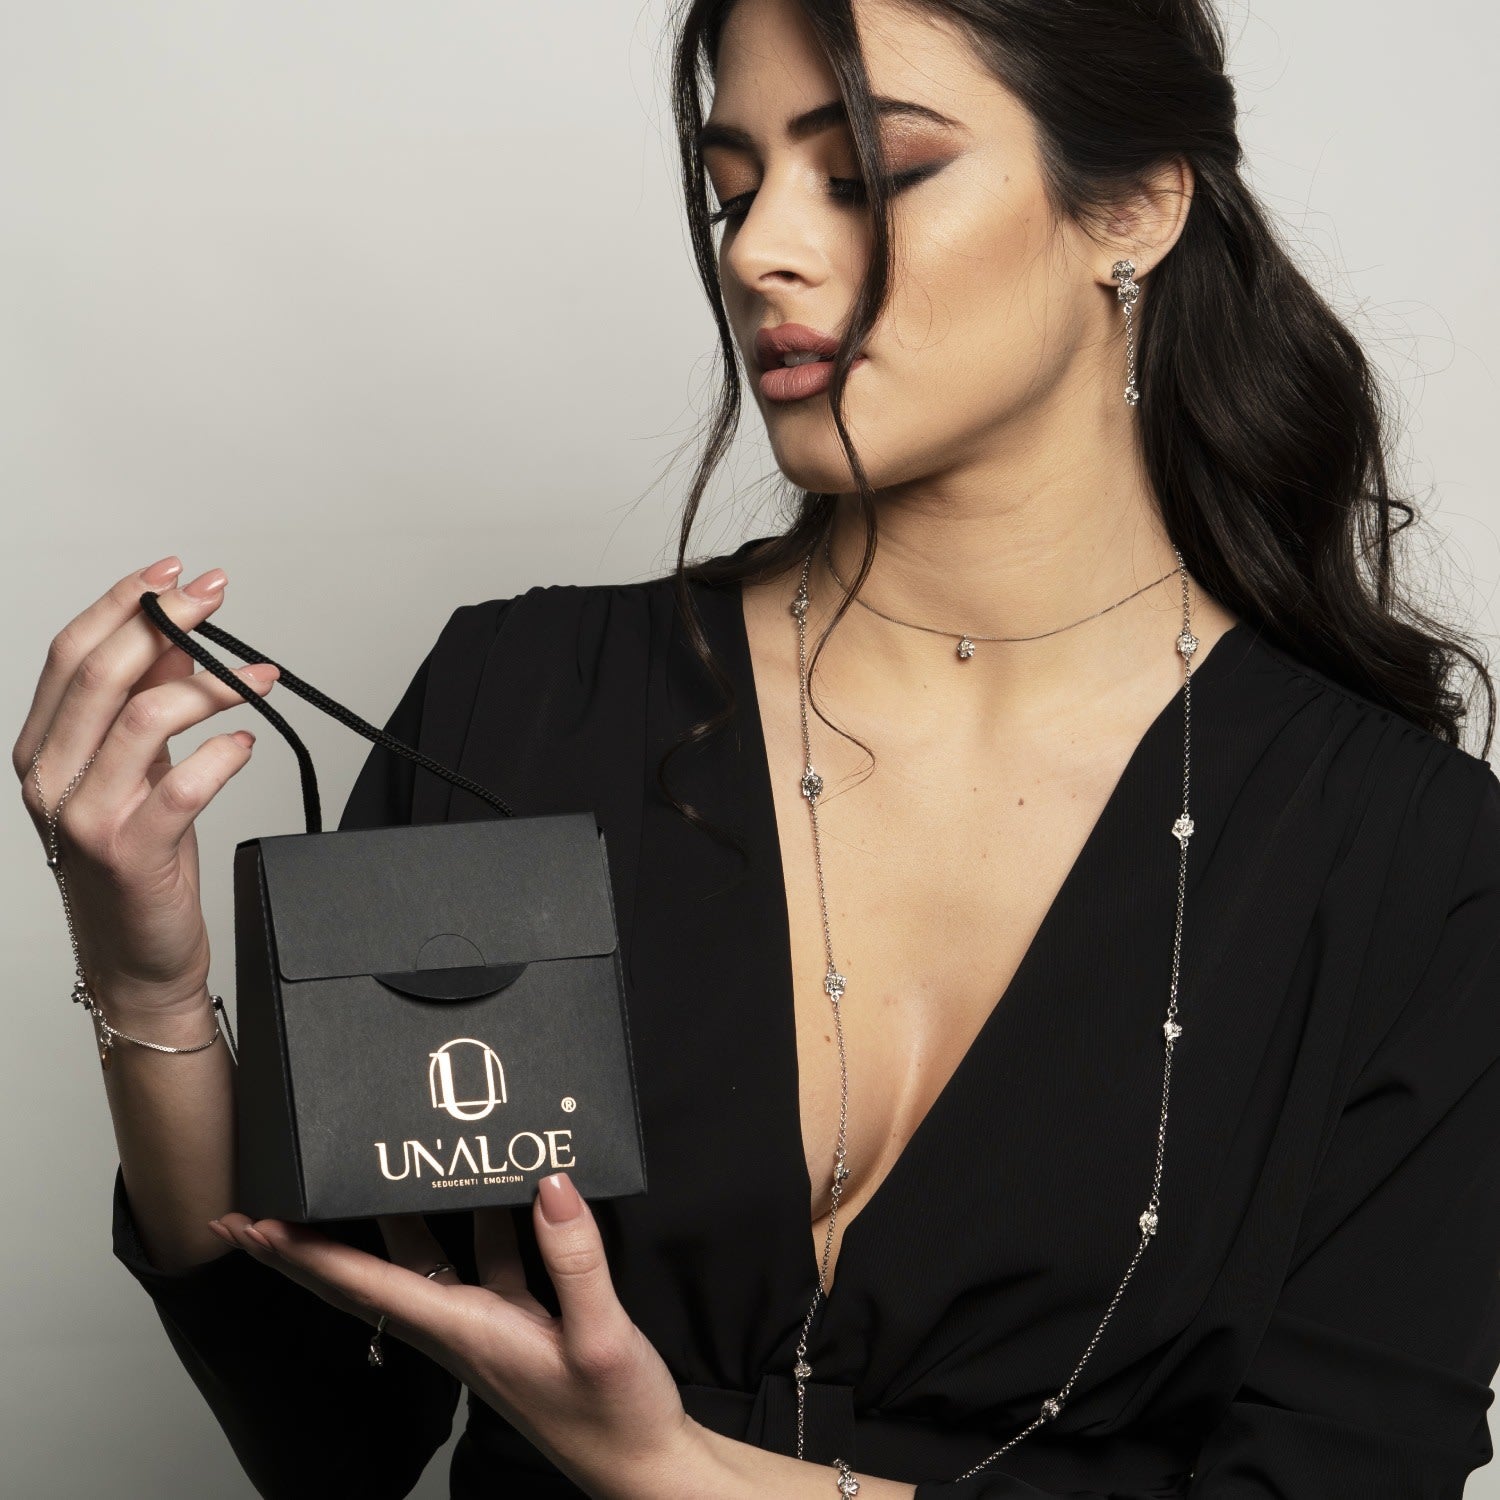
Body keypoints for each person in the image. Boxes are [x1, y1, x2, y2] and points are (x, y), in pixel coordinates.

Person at [16, 0, 1500, 1495]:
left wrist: (677, 1475)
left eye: (867, 175)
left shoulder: (1410, 857)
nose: (759, 249)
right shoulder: (524, 706)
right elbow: (331, 1431)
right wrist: (149, 985)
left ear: (1132, 207)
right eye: (734, 190)